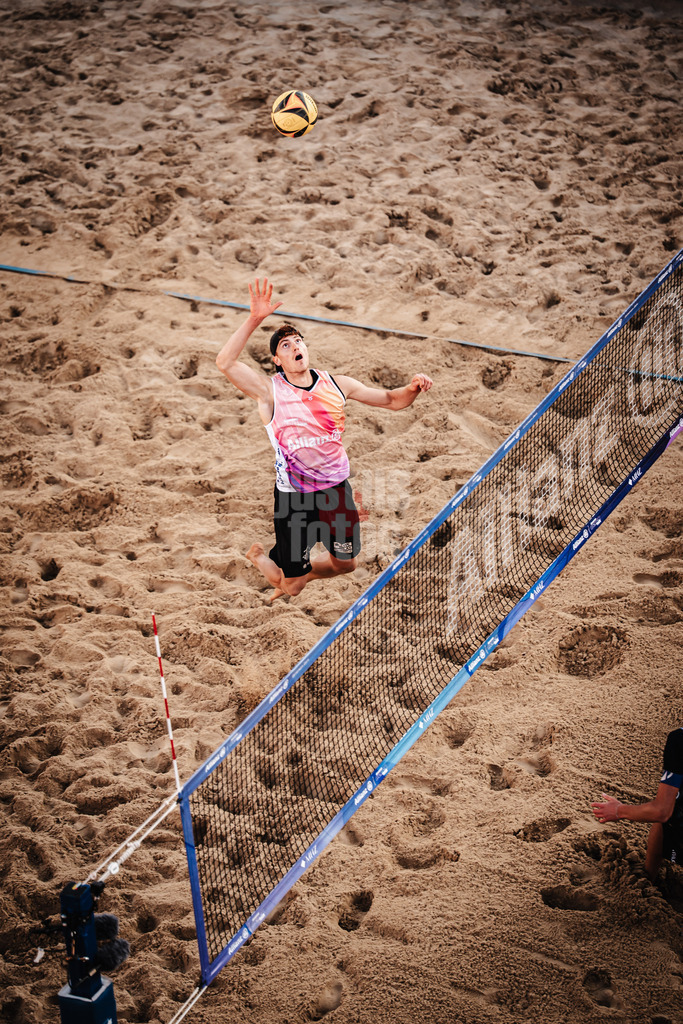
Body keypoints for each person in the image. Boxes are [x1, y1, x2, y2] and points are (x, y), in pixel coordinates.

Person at [215, 278, 433, 600]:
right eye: (285, 346)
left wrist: (413, 388)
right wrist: (255, 319)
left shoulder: (336, 384)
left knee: (346, 564)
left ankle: (295, 574)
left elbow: (390, 399)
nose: (295, 347)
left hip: (334, 490)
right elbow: (225, 363)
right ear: (277, 361)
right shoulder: (269, 392)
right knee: (292, 588)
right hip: (294, 499)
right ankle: (262, 559)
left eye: (298, 341)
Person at [591, 727, 683, 881]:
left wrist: (618, 810)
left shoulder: (679, 739)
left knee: (667, 809)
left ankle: (648, 878)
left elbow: (661, 811)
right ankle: (648, 876)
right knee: (672, 804)